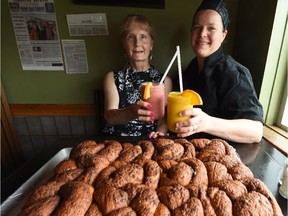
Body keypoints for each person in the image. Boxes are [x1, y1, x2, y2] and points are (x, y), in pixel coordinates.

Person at [172, 0, 263, 144]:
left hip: (221, 157)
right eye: (197, 27)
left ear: (223, 35)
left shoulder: (234, 73)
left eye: (211, 28)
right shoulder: (191, 68)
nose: (202, 34)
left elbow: (255, 131)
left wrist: (207, 123)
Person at [103, 14, 172, 138]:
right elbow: (110, 117)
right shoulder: (112, 78)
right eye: (131, 37)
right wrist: (131, 112)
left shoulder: (164, 81)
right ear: (124, 44)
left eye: (143, 37)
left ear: (151, 44)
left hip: (150, 140)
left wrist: (160, 134)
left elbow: (163, 120)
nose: (137, 43)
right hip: (117, 141)